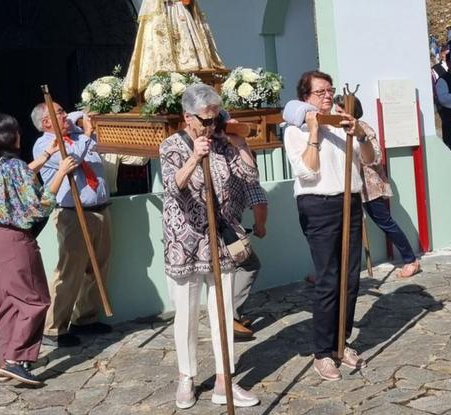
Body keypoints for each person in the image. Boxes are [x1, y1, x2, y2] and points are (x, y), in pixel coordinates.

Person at [159, 84, 259, 409]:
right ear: (187, 118)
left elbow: (248, 175)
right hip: (185, 239)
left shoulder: (221, 142)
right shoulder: (171, 146)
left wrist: (239, 141)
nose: (211, 126)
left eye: (216, 119)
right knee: (186, 313)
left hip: (219, 237)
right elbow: (174, 187)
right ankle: (186, 377)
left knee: (223, 309)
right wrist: (195, 156)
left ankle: (223, 379)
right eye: (205, 120)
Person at [283, 71, 378, 381]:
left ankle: (342, 341)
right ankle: (323, 352)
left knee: (351, 279)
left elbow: (369, 159)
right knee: (329, 278)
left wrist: (359, 134)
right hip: (318, 205)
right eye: (320, 91)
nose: (327, 96)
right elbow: (307, 173)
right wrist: (313, 133)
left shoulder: (342, 123)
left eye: (330, 90)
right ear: (306, 97)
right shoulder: (295, 130)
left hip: (349, 203)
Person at [0, 114, 78, 385]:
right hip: (13, 240)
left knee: (7, 304)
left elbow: (19, 177)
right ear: (11, 136)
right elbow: (38, 206)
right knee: (34, 300)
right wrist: (60, 172)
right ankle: (15, 360)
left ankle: (5, 360)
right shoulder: (17, 167)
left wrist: (46, 155)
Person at [31, 104, 113, 347]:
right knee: (69, 270)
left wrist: (82, 116)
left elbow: (80, 116)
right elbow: (72, 160)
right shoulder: (45, 145)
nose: (65, 115)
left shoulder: (77, 135)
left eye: (63, 110)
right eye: (58, 113)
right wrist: (87, 134)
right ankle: (53, 328)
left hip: (100, 209)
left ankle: (85, 319)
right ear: (46, 123)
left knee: (98, 267)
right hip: (72, 214)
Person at [333, 95, 421, 278]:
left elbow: (377, 156)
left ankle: (410, 259)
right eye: (336, 110)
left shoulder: (362, 128)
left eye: (340, 111)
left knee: (385, 223)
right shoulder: (335, 130)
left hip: (368, 187)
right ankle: (333, 269)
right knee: (340, 227)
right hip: (346, 186)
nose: (336, 114)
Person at [123, 0, 225, 99]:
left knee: (187, 39)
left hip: (182, 15)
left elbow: (186, 0)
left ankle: (194, 67)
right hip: (168, 15)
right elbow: (155, 3)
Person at [215, 112, 269, 341]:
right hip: (224, 227)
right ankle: (230, 317)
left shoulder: (224, 154)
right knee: (248, 263)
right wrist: (260, 226)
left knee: (235, 267)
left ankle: (231, 314)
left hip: (220, 225)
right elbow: (259, 201)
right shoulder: (235, 160)